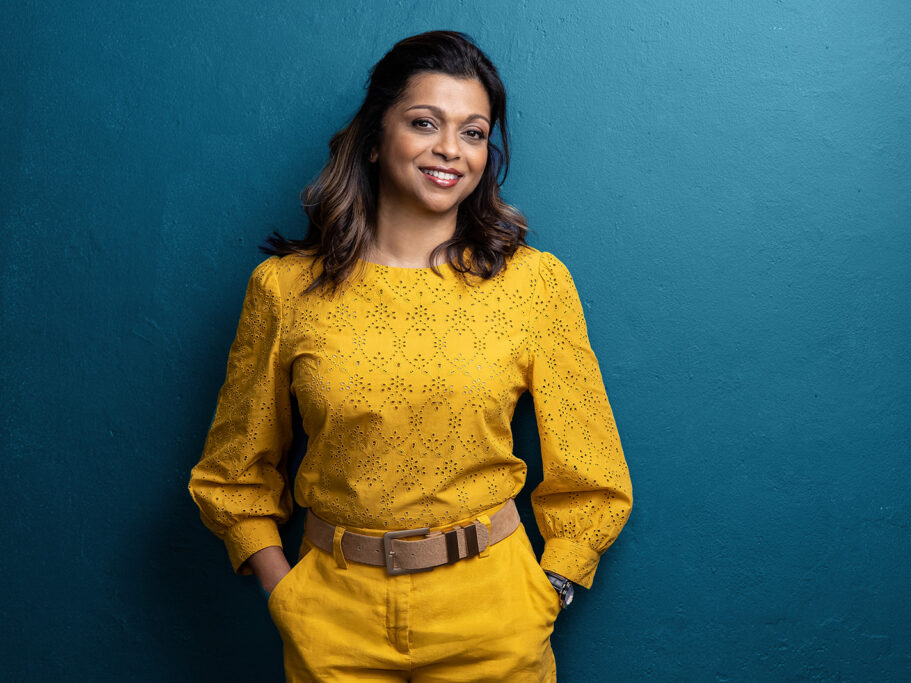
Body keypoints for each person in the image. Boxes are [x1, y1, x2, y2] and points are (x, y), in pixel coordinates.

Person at [188, 30, 632, 682]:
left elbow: (593, 470)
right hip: (334, 617)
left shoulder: (535, 284)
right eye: (425, 122)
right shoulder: (285, 290)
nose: (450, 149)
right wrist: (286, 595)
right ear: (375, 136)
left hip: (495, 614)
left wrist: (549, 588)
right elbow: (234, 473)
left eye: (474, 132)